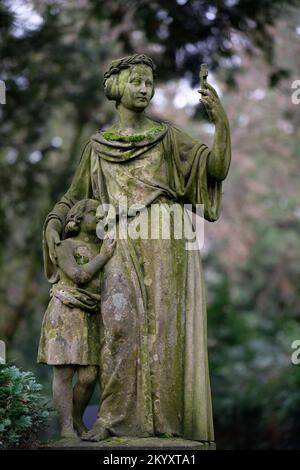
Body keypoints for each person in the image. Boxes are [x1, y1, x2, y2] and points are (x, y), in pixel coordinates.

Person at [43, 54, 231, 442]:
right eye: (136, 81)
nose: (144, 89)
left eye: (149, 82)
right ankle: (112, 418)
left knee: (164, 334)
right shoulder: (98, 146)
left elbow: (215, 168)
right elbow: (74, 196)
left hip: (167, 244)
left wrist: (220, 121)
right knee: (118, 330)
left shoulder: (168, 138)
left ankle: (168, 425)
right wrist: (54, 222)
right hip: (118, 244)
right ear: (116, 87)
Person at [38, 198, 115, 438]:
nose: (100, 217)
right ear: (77, 219)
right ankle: (66, 428)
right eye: (94, 213)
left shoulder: (102, 246)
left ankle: (77, 417)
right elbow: (78, 275)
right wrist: (103, 256)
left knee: (89, 375)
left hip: (89, 315)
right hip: (65, 312)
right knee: (64, 373)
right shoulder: (65, 245)